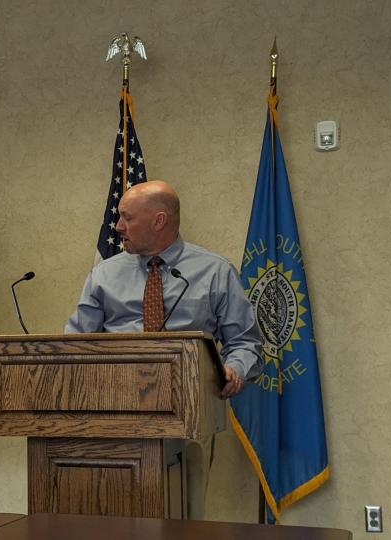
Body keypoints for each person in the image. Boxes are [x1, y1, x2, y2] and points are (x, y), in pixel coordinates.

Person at [65, 179, 263, 519]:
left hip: (189, 411)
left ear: (159, 220)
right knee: (114, 514)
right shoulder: (104, 275)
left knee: (182, 513)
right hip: (114, 413)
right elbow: (75, 343)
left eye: (127, 217)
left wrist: (235, 370)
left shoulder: (214, 271)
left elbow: (246, 343)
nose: (118, 226)